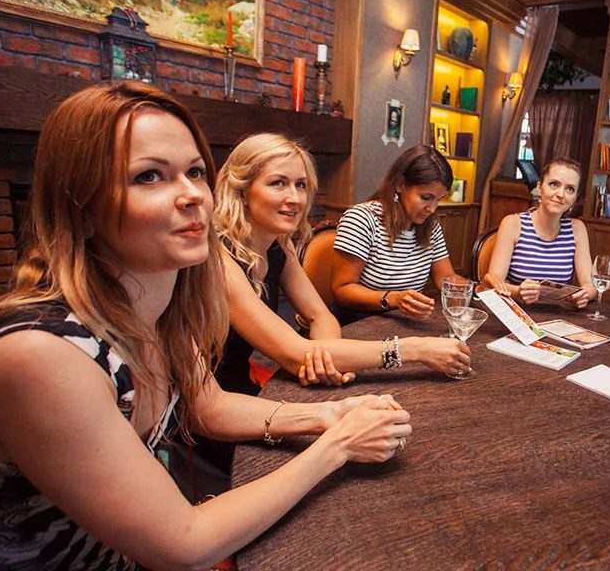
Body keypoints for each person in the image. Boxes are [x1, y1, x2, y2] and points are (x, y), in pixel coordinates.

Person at [0, 82, 410, 571]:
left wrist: (328, 413)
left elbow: (210, 406)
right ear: (81, 210)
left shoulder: (159, 309)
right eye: (149, 176)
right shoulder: (42, 353)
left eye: (196, 172)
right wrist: (336, 446)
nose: (193, 195)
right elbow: (186, 544)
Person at [200, 133, 471, 488]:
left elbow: (321, 316)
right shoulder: (219, 259)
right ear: (241, 190)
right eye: (278, 183)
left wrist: (322, 359)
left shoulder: (278, 245)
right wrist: (414, 349)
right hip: (209, 411)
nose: (295, 198)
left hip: (245, 389)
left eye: (301, 185)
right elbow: (296, 353)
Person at [332, 144, 461, 322]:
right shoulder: (362, 219)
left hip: (403, 321)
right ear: (400, 185)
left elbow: (446, 278)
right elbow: (343, 290)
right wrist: (393, 299)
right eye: (425, 198)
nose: (432, 209)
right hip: (360, 321)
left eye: (438, 200)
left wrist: (478, 289)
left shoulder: (430, 226)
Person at [482, 157, 595, 308]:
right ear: (539, 187)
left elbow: (591, 285)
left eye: (570, 189)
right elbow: (494, 281)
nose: (561, 194)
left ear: (575, 198)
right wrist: (517, 291)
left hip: (558, 314)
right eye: (554, 184)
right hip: (516, 311)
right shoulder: (513, 224)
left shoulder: (577, 229)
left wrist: (584, 294)